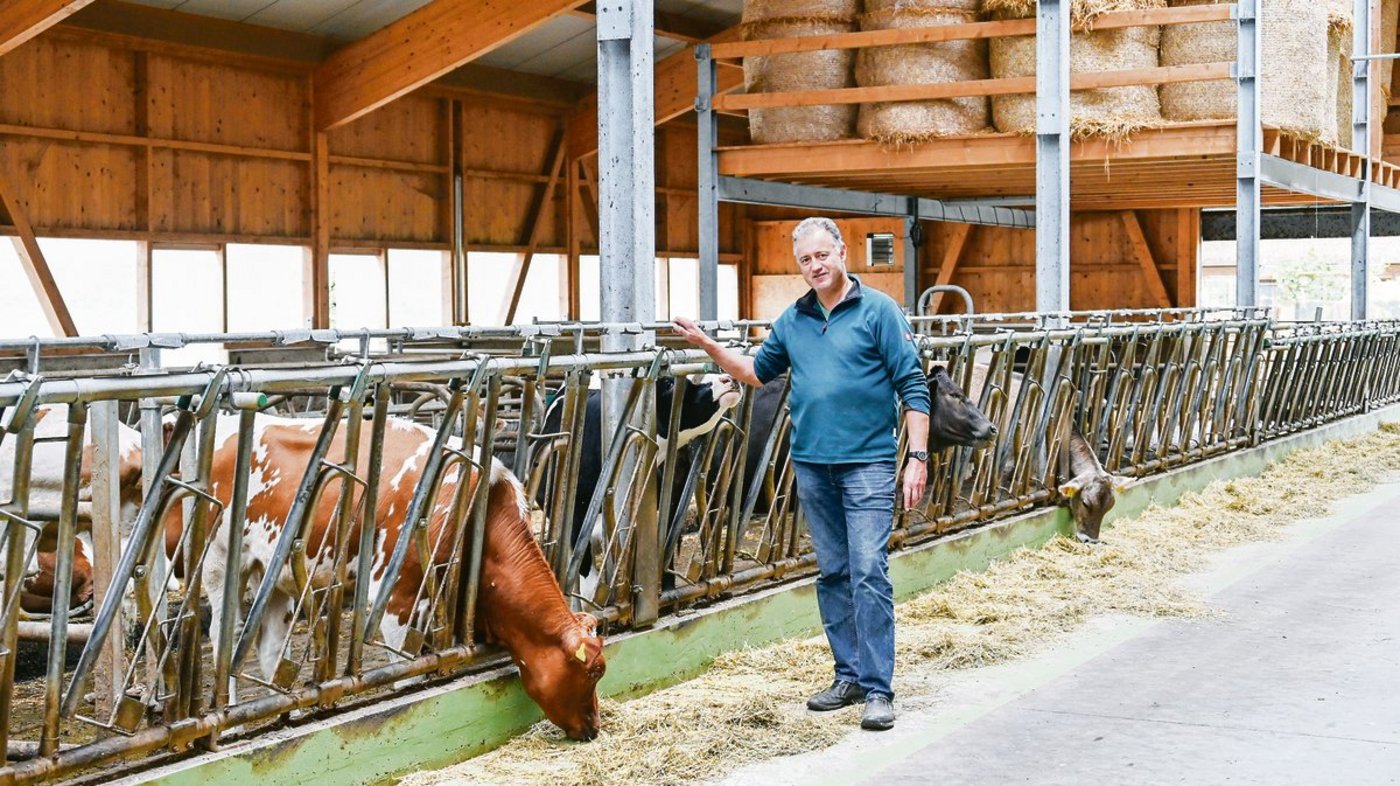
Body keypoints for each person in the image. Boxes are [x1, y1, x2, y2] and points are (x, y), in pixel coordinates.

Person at [673, 216, 930, 731]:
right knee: (832, 572)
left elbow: (913, 387)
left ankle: (879, 689)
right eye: (805, 261)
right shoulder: (793, 320)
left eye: (822, 255)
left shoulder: (879, 311)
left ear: (842, 252)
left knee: (868, 571)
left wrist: (916, 458)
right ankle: (848, 675)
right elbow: (753, 373)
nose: (815, 266)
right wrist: (708, 346)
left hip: (869, 464)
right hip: (813, 465)